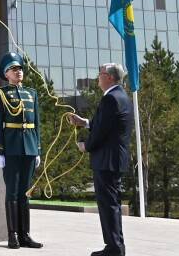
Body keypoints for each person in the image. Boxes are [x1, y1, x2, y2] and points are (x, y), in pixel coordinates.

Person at [67, 63, 131, 256]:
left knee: (108, 205)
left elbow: (102, 131)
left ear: (110, 77)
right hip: (113, 159)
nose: (98, 78)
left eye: (101, 74)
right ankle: (115, 245)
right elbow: (103, 123)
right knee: (111, 204)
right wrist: (84, 122)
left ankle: (114, 248)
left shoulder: (111, 98)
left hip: (107, 160)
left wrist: (86, 146)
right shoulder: (119, 96)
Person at [0, 52, 43, 249]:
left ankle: (25, 235)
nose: (19, 72)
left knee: (25, 193)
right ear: (6, 74)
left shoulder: (32, 94)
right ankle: (12, 235)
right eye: (14, 69)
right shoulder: (1, 94)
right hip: (11, 148)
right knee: (12, 192)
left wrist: (37, 149)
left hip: (29, 148)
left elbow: (36, 123)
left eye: (20, 69)